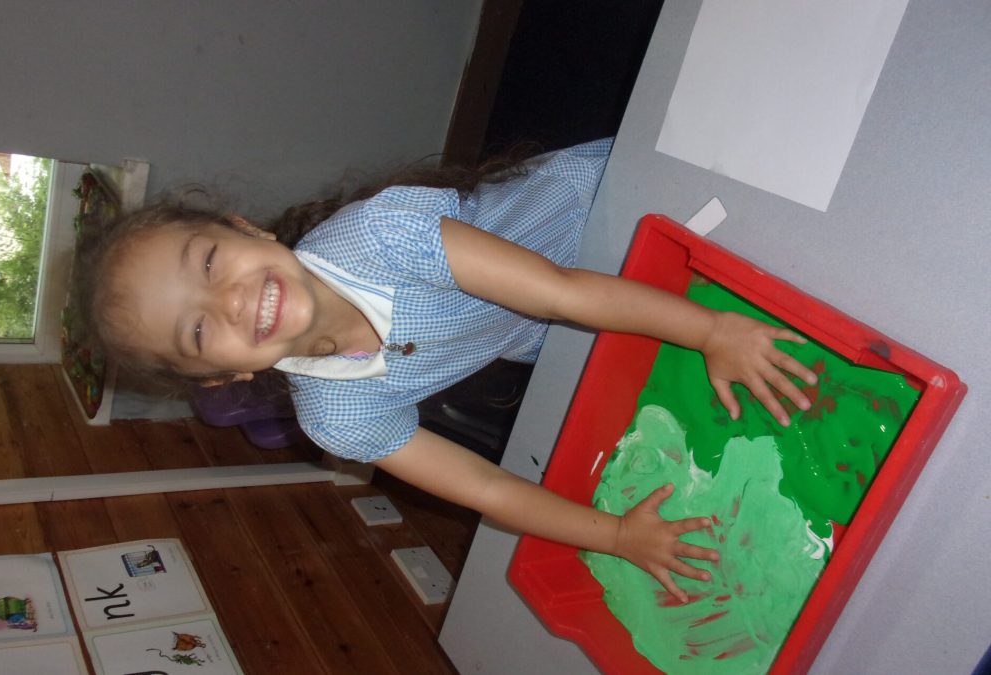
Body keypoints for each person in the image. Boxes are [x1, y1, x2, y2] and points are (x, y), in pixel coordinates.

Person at [77, 138, 816, 603]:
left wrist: (712, 330)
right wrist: (617, 535)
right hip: (568, 326)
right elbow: (489, 488)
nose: (231, 300)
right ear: (219, 379)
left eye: (209, 262)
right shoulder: (337, 418)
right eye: (199, 329)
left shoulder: (377, 236)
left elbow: (562, 288)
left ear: (244, 229)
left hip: (608, 212)